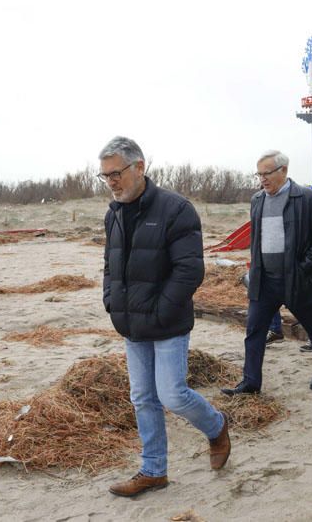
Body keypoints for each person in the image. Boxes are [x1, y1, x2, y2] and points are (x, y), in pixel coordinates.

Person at [99, 136, 230, 498]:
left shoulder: (175, 209)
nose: (111, 181)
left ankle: (217, 426)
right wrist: (111, 300)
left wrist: (160, 311)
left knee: (172, 394)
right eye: (105, 176)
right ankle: (153, 471)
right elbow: (111, 265)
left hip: (167, 322)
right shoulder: (114, 214)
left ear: (139, 167)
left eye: (116, 173)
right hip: (130, 324)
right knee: (142, 397)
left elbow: (189, 270)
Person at [222, 150, 312, 395]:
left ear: (283, 170)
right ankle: (251, 382)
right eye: (259, 174)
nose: (262, 179)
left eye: (267, 173)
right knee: (254, 330)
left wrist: (304, 266)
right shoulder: (257, 200)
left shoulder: (307, 198)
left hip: (298, 279)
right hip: (265, 280)